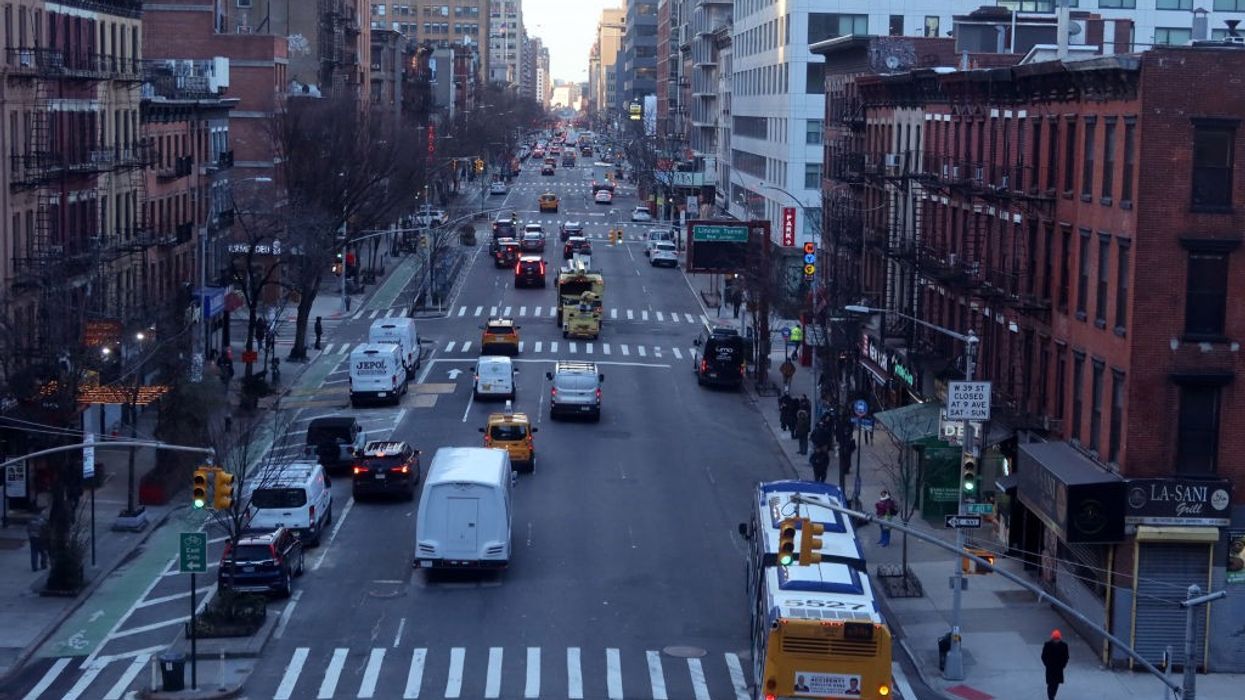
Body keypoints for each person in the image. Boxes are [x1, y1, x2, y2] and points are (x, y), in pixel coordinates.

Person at [1041, 629, 1070, 700]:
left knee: (1056, 684)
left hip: (1058, 668)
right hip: (1050, 668)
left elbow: (1066, 657)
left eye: (1057, 639)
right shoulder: (1047, 645)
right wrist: (1047, 664)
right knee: (1051, 684)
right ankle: (1051, 698)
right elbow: (1043, 656)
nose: (1056, 640)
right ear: (1052, 638)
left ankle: (1052, 696)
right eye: (1055, 639)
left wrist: (1063, 665)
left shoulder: (1064, 646)